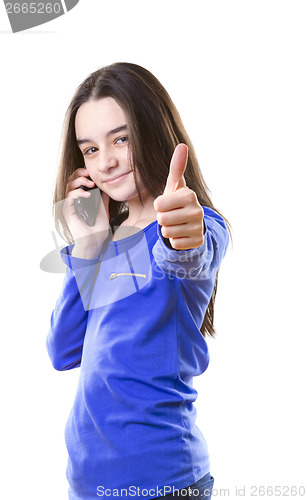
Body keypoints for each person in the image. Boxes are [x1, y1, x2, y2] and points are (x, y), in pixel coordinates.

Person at [46, 62, 231, 500]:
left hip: (162, 485)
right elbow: (62, 350)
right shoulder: (104, 244)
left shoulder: (194, 224)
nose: (106, 161)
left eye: (121, 139)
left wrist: (185, 235)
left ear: (152, 130)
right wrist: (88, 246)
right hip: (89, 486)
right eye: (89, 149)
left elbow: (189, 256)